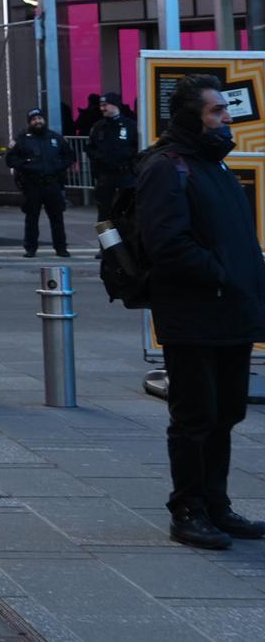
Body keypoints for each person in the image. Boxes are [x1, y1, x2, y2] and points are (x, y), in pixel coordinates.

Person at [132, 74, 265, 551]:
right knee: (195, 416)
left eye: (226, 110)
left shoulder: (215, 166)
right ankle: (187, 509)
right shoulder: (167, 167)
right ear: (191, 116)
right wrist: (223, 273)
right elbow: (168, 244)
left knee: (227, 412)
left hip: (231, 313)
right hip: (193, 314)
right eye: (216, 112)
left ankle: (216, 503)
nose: (226, 118)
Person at [6, 108, 73, 258]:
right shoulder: (22, 139)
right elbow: (10, 159)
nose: (38, 121)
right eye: (34, 119)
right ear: (29, 122)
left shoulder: (55, 138)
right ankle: (30, 248)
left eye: (40, 118)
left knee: (57, 217)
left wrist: (58, 167)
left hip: (52, 183)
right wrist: (26, 166)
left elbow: (69, 156)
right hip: (32, 184)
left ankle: (61, 248)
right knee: (31, 218)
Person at [86, 91, 137, 219]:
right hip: (105, 177)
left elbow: (137, 148)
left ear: (115, 105)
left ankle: (126, 238)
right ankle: (106, 240)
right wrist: (100, 157)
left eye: (105, 105)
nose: (102, 108)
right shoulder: (98, 127)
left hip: (125, 176)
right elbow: (89, 148)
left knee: (127, 212)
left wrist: (128, 157)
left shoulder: (130, 125)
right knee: (103, 215)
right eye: (101, 105)